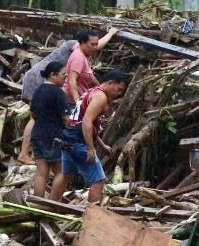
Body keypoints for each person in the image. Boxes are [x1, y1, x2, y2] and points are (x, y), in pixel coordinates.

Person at [17, 28, 118, 164]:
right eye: (91, 44)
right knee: (36, 117)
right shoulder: (76, 50)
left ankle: (38, 154)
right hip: (39, 79)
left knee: (42, 118)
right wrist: (111, 34)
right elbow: (72, 80)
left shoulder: (84, 57)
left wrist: (99, 86)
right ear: (81, 42)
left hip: (46, 77)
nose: (94, 47)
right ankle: (24, 153)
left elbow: (88, 73)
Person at [58, 71, 130, 204]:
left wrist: (102, 145)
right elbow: (86, 122)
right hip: (78, 142)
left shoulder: (90, 92)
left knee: (66, 175)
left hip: (67, 138)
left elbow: (81, 121)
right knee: (98, 181)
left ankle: (49, 206)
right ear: (110, 83)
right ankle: (92, 216)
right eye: (119, 89)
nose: (119, 93)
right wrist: (91, 149)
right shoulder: (100, 97)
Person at [28, 61, 69, 199]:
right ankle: (52, 204)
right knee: (61, 172)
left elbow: (33, 114)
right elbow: (65, 118)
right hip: (54, 136)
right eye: (63, 74)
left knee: (41, 173)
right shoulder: (58, 93)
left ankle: (37, 203)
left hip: (37, 133)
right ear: (53, 75)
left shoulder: (38, 91)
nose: (66, 77)